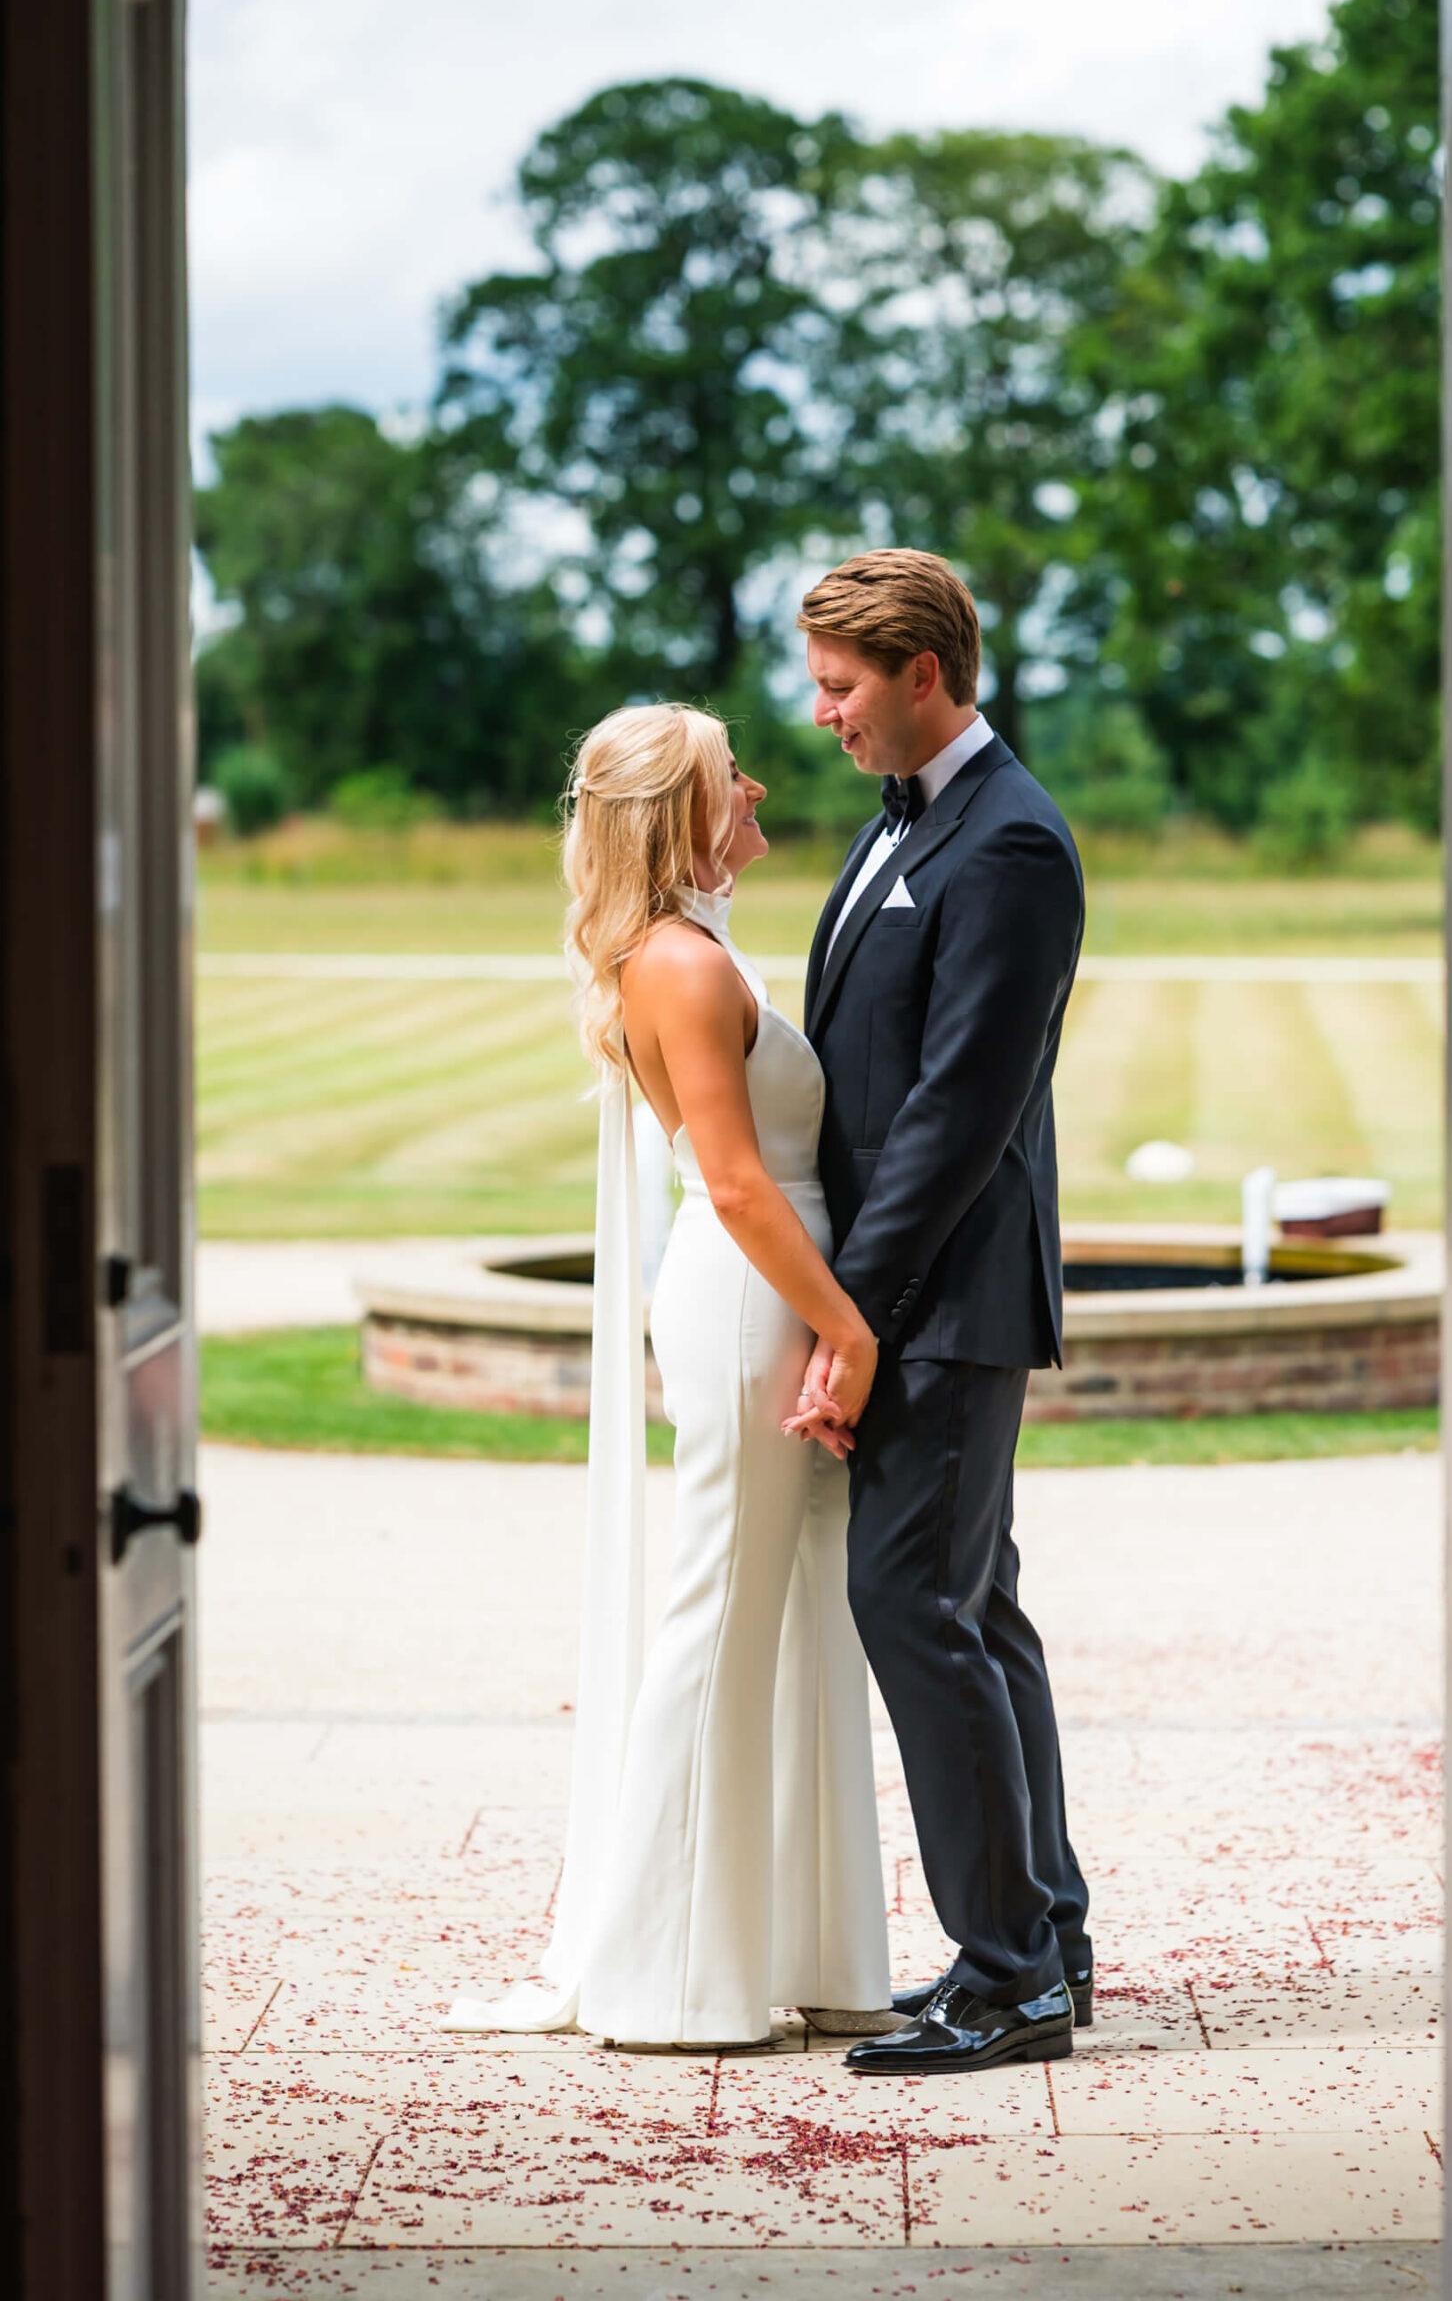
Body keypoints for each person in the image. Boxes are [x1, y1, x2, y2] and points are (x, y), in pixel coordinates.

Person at [445, 703, 892, 2048]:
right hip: (757, 1297)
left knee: (800, 1615)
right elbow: (740, 1185)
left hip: (773, 1289)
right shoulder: (682, 967)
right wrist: (848, 1333)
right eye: (727, 775)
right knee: (723, 1610)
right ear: (680, 812)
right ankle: (673, 1978)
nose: (755, 787)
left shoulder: (696, 948)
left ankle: (804, 1951)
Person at [796, 549, 1092, 2078]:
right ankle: (1046, 1937)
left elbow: (958, 1113)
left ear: (924, 674)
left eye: (841, 685)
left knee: (913, 1603)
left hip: (947, 1295)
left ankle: (1010, 1976)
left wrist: (850, 1316)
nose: (823, 713)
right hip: (909, 1291)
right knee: (975, 1606)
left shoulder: (1011, 842)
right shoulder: (902, 817)